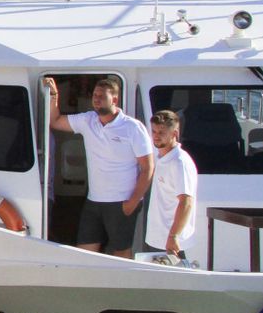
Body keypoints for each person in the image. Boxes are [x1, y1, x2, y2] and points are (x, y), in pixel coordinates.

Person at [46, 76, 154, 258]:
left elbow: (147, 167)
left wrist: (133, 201)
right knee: (84, 251)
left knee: (121, 252)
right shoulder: (88, 120)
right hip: (94, 200)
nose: (96, 99)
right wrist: (54, 95)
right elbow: (55, 121)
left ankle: (121, 285)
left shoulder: (133, 128)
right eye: (95, 95)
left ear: (115, 100)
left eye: (101, 96)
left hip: (122, 201)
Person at [145, 109, 198, 257]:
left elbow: (186, 202)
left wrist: (173, 236)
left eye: (161, 133)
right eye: (154, 132)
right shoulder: (162, 158)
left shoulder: (179, 162)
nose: (156, 136)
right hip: (158, 239)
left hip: (172, 243)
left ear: (175, 134)